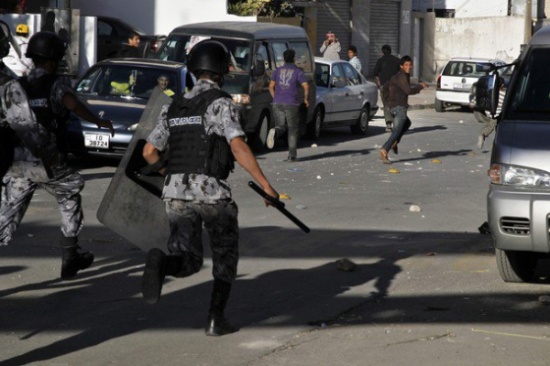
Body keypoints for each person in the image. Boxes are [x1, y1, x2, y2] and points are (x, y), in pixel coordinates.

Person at [140, 39, 279, 336]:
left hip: (175, 193)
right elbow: (238, 146)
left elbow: (149, 152)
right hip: (211, 193)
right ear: (220, 71)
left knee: (188, 260)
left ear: (194, 69)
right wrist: (267, 186)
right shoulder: (220, 102)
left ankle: (162, 264)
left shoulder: (174, 106)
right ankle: (216, 319)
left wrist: (169, 173)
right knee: (225, 256)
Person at [0, 31, 114, 279]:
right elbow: (71, 103)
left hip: (20, 163)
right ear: (53, 58)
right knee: (70, 191)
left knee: (7, 212)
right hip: (49, 162)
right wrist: (98, 121)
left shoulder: (15, 86)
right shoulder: (56, 83)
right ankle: (70, 256)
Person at [379, 55, 427, 164]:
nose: (409, 67)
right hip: (398, 107)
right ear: (401, 66)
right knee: (396, 131)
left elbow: (384, 88)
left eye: (410, 65)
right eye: (406, 65)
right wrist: (420, 86)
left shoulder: (398, 76)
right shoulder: (402, 76)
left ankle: (395, 142)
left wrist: (388, 103)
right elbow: (408, 90)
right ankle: (385, 149)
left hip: (394, 106)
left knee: (406, 123)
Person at [266, 49, 309, 162]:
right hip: (291, 103)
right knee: (292, 129)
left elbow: (271, 86)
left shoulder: (277, 70)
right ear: (294, 58)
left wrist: (275, 97)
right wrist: (305, 99)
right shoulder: (297, 71)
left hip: (277, 102)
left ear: (284, 58)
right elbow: (306, 86)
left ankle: (275, 131)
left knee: (281, 126)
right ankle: (292, 156)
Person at [373, 44, 401, 132]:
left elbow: (375, 73)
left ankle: (388, 125)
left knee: (386, 105)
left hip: (384, 86)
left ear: (382, 51)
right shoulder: (397, 60)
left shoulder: (380, 60)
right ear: (390, 50)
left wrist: (379, 83)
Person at [475, 77, 505, 149]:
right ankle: (484, 135)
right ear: (502, 85)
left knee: (491, 125)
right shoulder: (504, 94)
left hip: (487, 112)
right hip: (496, 114)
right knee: (493, 126)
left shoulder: (490, 91)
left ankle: (484, 136)